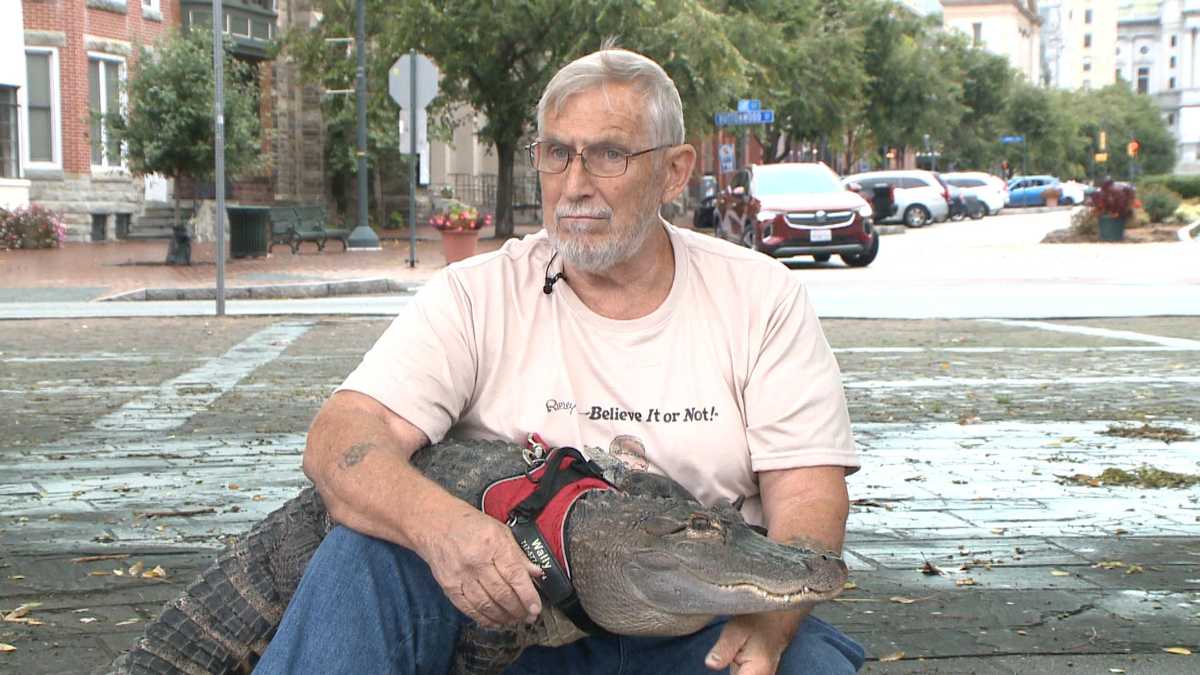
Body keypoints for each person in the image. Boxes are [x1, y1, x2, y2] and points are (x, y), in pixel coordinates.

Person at [255, 47, 864, 675]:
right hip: (508, 623)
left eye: (608, 155)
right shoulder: (475, 294)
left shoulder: (760, 297)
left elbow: (808, 494)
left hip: (697, 618)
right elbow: (341, 440)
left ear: (675, 172)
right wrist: (444, 529)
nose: (575, 185)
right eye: (556, 154)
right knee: (363, 556)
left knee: (809, 664)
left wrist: (770, 625)